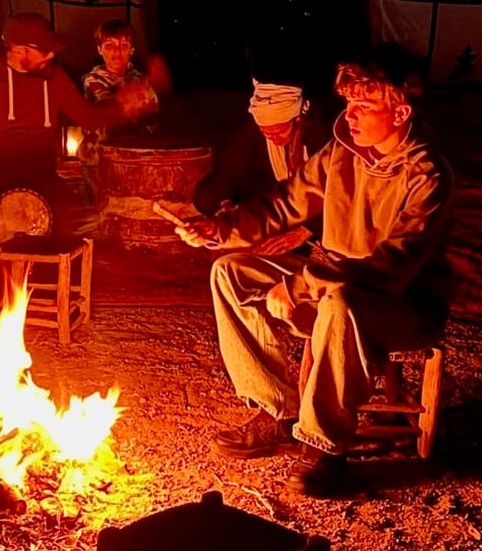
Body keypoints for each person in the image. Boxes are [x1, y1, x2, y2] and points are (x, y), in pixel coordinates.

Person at [176, 48, 454, 498]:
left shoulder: (427, 176)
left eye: (365, 106)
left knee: (342, 304)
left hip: (400, 301)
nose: (351, 114)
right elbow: (286, 202)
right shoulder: (342, 152)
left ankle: (324, 446)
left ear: (401, 113)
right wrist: (220, 229)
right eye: (349, 102)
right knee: (230, 272)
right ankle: (281, 411)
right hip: (333, 281)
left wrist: (301, 284)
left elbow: (392, 264)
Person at [0, 12, 155, 227]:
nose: (51, 54)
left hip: (43, 180)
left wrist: (121, 105)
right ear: (19, 50)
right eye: (44, 50)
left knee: (85, 227)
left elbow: (89, 117)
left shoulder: (54, 78)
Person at [192, 74, 332, 216]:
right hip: (277, 194)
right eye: (267, 133)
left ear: (296, 119)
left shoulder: (318, 133)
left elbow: (322, 188)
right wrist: (225, 203)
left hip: (313, 198)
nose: (274, 139)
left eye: (280, 132)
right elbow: (229, 168)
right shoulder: (255, 129)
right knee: (207, 197)